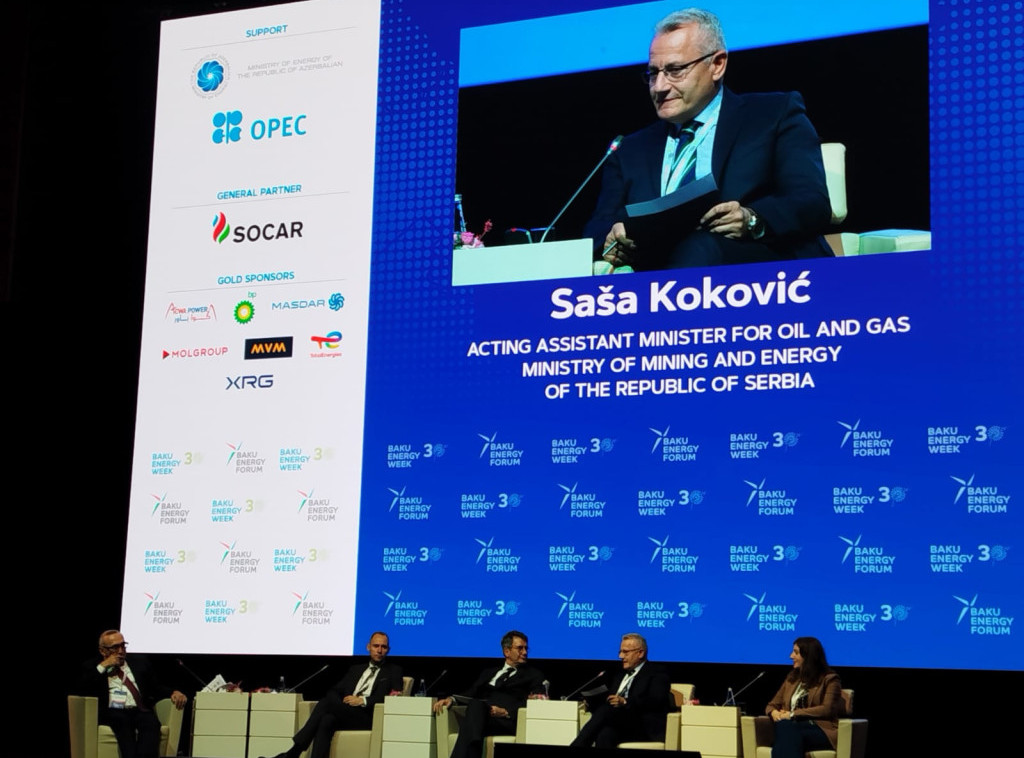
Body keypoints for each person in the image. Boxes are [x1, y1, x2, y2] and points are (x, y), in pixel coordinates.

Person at [585, 7, 834, 270]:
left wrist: (752, 219)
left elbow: (811, 200)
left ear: (717, 65)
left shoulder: (773, 114)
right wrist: (612, 238)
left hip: (762, 267)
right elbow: (596, 231)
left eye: (675, 70)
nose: (659, 87)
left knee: (699, 247)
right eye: (653, 73)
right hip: (659, 275)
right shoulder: (629, 150)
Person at [268, 631, 403, 758]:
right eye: (376, 646)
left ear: (388, 650)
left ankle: (293, 752)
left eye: (383, 647)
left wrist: (363, 700)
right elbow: (335, 691)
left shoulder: (394, 671)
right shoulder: (356, 669)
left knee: (326, 704)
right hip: (346, 712)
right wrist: (341, 703)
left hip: (368, 717)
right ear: (368, 647)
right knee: (327, 719)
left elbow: (394, 698)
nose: (379, 650)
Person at [433, 630, 545, 758]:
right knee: (476, 706)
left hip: (506, 721)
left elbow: (537, 703)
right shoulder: (489, 673)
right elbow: (471, 693)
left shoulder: (534, 675)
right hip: (482, 717)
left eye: (526, 648)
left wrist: (506, 712)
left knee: (473, 715)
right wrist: (451, 699)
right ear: (506, 651)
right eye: (520, 648)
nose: (524, 652)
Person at [76, 629, 188, 758]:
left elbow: (155, 687)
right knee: (122, 723)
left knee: (151, 723)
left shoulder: (139, 662)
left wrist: (173, 692)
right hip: (113, 711)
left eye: (123, 645)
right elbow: (84, 687)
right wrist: (104, 665)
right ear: (102, 651)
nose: (120, 651)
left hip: (139, 710)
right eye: (115, 647)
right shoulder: (93, 666)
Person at [570, 633, 672, 748]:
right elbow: (611, 700)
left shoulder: (657, 673)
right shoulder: (619, 675)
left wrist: (625, 701)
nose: (621, 656)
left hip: (644, 727)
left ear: (640, 653)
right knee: (605, 734)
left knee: (605, 710)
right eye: (620, 652)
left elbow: (656, 700)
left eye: (625, 652)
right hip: (620, 725)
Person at [764, 636, 844, 758]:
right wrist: (774, 712)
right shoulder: (792, 679)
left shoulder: (830, 679)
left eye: (796, 652)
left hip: (819, 729)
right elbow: (771, 705)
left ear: (808, 656)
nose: (791, 656)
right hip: (792, 728)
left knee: (785, 732)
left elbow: (826, 709)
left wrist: (792, 714)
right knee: (786, 729)